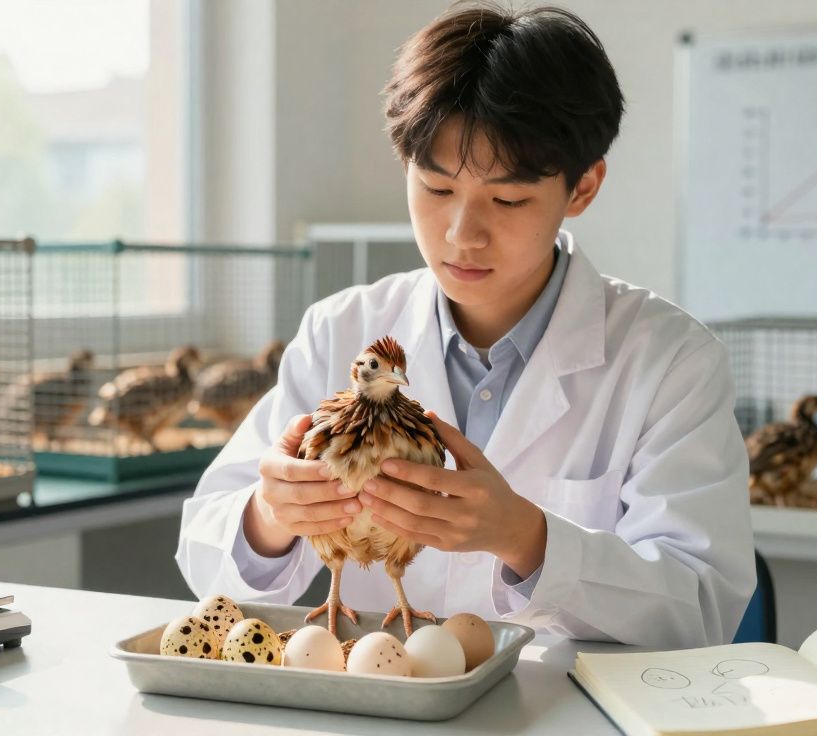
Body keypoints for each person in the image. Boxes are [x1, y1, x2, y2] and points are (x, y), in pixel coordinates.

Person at [175, 3, 754, 648]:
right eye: (436, 188)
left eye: (507, 200)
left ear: (583, 188)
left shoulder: (671, 361)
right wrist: (271, 516)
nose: (461, 235)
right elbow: (207, 556)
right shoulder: (341, 330)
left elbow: (699, 605)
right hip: (381, 705)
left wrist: (526, 538)